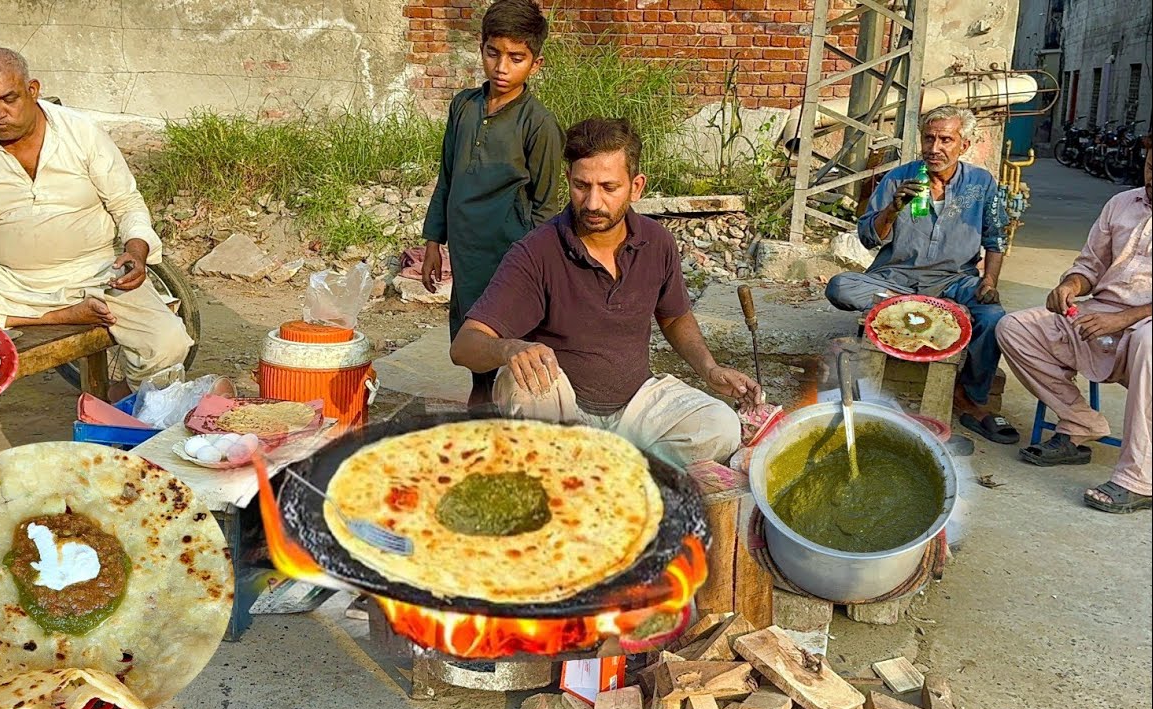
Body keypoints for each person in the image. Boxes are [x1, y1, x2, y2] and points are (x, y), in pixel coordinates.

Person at [448, 118, 761, 468]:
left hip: (635, 408)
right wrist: (508, 348)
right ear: (568, 180)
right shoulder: (536, 252)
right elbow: (464, 347)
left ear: (636, 186)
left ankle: (600, 468)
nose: (593, 203)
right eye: (582, 185)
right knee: (521, 384)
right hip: (563, 413)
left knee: (720, 427)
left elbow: (673, 316)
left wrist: (709, 368)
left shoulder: (657, 243)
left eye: (608, 187)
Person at [0, 48, 191, 399]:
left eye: (8, 98)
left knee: (168, 343)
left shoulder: (81, 133)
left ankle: (120, 399)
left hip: (96, 275)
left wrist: (136, 249)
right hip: (6, 279)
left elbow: (126, 203)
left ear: (33, 89)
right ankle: (60, 316)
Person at [826, 105, 1014, 444]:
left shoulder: (981, 183)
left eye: (945, 139)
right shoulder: (899, 178)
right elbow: (870, 237)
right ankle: (923, 309)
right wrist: (893, 207)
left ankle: (971, 397)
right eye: (929, 138)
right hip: (895, 281)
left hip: (954, 282)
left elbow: (995, 238)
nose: (934, 148)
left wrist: (988, 283)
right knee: (840, 286)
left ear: (964, 145)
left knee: (994, 317)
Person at [419, 0, 564, 408]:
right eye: (493, 53)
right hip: (467, 247)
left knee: (506, 335)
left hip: (509, 251)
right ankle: (479, 401)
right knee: (469, 335)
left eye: (516, 58)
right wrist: (433, 242)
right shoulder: (463, 107)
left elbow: (545, 205)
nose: (502, 67)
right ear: (481, 48)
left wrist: (536, 266)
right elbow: (447, 176)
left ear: (535, 64)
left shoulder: (538, 124)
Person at [996, 136, 1152, 514]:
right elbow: (1091, 266)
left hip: (1143, 328)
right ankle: (1080, 422)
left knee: (1150, 341)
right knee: (1013, 327)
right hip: (1097, 316)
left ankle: (1140, 479)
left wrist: (1124, 318)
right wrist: (1071, 285)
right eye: (1151, 168)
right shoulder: (1122, 203)